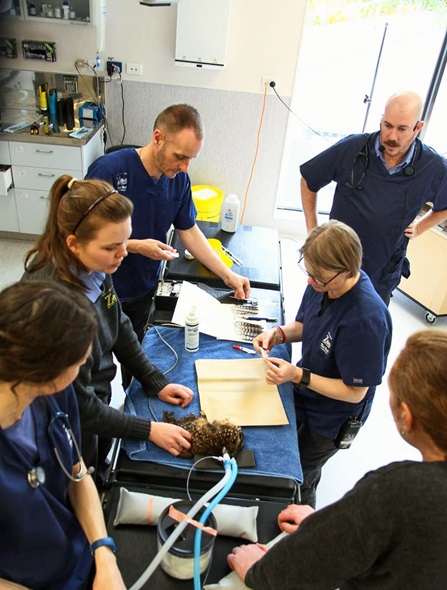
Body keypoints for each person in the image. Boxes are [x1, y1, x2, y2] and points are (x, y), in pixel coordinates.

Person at [228, 328, 447, 590]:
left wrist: (259, 571)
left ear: (406, 416)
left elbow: (310, 564)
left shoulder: (399, 491)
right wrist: (325, 523)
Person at [23, 175, 195, 487]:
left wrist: (153, 379)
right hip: (67, 424)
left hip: (95, 400)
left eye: (125, 242)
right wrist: (150, 430)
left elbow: (118, 325)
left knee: (98, 468)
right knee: (78, 485)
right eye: (113, 247)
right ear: (73, 244)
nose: (124, 254)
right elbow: (79, 406)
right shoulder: (53, 311)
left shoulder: (96, 266)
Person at [0, 281, 134, 590]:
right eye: (80, 362)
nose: (85, 369)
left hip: (76, 561)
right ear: (47, 373)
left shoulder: (52, 395)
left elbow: (78, 473)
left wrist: (103, 552)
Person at [85, 103, 251, 345]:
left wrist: (228, 275)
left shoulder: (179, 180)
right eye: (180, 157)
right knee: (99, 367)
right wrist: (135, 246)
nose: (184, 167)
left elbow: (190, 231)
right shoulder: (109, 171)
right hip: (103, 288)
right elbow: (84, 235)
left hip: (145, 288)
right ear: (158, 138)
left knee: (136, 359)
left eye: (191, 159)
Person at [253, 222, 392, 507]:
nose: (311, 282)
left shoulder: (366, 321)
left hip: (332, 417)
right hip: (307, 391)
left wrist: (297, 375)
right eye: (309, 272)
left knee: (300, 474)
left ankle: (301, 525)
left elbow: (355, 392)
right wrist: (278, 333)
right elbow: (306, 324)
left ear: (348, 270)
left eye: (320, 279)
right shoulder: (323, 284)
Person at [300, 90, 447, 304]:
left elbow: (444, 206)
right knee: (316, 326)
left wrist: (419, 227)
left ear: (417, 128)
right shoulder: (352, 148)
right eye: (387, 125)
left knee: (365, 329)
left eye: (402, 129)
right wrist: (313, 231)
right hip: (332, 265)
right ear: (381, 120)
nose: (392, 136)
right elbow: (308, 179)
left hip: (380, 274)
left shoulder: (433, 167)